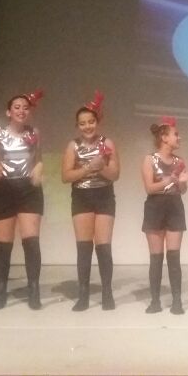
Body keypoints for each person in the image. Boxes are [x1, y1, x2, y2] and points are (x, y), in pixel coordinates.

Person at [60, 90, 120, 311]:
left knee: (103, 247)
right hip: (81, 197)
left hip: (104, 195)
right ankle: (83, 295)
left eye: (91, 122)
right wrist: (88, 168)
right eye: (83, 123)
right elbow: (66, 176)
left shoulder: (108, 143)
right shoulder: (73, 146)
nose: (87, 126)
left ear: (97, 122)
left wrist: (101, 167)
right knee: (84, 248)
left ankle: (107, 293)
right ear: (77, 126)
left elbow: (115, 174)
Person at [0, 89, 45, 310]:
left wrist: (39, 169)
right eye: (17, 107)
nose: (21, 110)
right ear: (8, 112)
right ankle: (0, 292)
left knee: (31, 242)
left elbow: (39, 159)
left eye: (25, 108)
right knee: (3, 244)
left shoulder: (34, 132)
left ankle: (34, 290)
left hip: (28, 188)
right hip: (4, 189)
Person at [140, 117, 188, 314]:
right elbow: (149, 188)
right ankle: (155, 301)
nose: (179, 137)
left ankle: (177, 301)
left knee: (174, 257)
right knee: (156, 257)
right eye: (176, 134)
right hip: (155, 207)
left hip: (175, 206)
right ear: (164, 137)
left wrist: (181, 182)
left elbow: (183, 190)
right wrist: (170, 179)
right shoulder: (149, 159)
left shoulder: (179, 161)